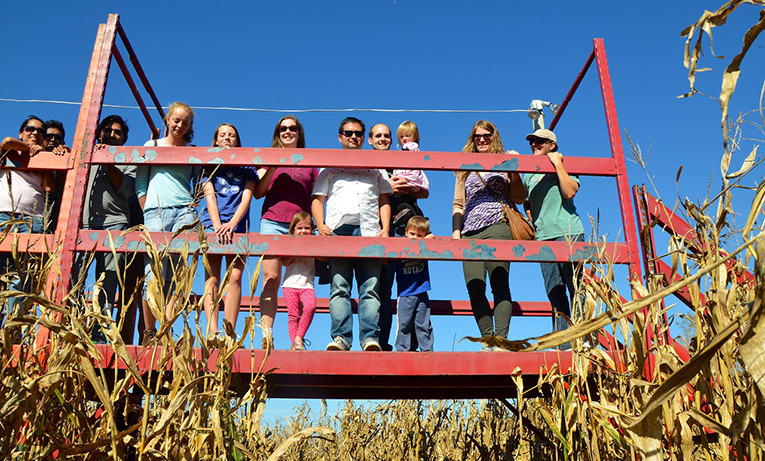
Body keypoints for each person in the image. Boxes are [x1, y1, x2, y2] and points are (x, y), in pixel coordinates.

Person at [312, 117, 392, 351]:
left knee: (370, 288)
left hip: (369, 230)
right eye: (348, 133)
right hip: (338, 230)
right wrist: (320, 225)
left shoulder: (375, 166)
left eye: (358, 133)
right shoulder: (329, 167)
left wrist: (385, 228)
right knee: (339, 286)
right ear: (340, 137)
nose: (353, 137)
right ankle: (341, 338)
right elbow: (318, 200)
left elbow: (383, 199)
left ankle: (370, 338)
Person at [452, 120, 526, 347]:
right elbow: (458, 204)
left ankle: (501, 341)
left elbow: (519, 197)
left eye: (487, 135)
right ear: (472, 139)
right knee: (474, 286)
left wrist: (514, 170)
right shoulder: (465, 167)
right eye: (477, 136)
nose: (482, 139)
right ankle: (489, 340)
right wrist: (456, 234)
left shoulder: (504, 160)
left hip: (497, 225)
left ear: (494, 137)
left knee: (499, 283)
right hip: (470, 232)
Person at [135, 102, 200, 345]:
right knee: (153, 274)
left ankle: (168, 329)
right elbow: (141, 182)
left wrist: (192, 206)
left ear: (190, 126)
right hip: (156, 213)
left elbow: (198, 185)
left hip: (184, 214)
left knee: (178, 276)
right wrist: (149, 211)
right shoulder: (152, 146)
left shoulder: (192, 151)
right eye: (176, 120)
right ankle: (149, 332)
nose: (180, 125)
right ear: (167, 121)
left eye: (185, 122)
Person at [253, 116, 317, 350]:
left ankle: (297, 338)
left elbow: (314, 198)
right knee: (270, 279)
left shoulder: (310, 162)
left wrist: (315, 227)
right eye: (283, 128)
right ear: (277, 132)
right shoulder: (269, 157)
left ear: (299, 133)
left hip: (299, 227)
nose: (288, 131)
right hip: (271, 222)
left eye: (293, 128)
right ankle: (267, 335)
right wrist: (272, 164)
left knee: (301, 281)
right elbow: (258, 192)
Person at [73, 115, 136, 343]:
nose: (111, 134)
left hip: (115, 222)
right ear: (99, 132)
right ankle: (73, 330)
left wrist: (108, 161)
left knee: (108, 279)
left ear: (124, 138)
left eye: (117, 132)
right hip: (82, 224)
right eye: (107, 130)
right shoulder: (85, 153)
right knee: (74, 279)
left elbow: (128, 190)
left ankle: (100, 335)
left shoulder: (128, 158)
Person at [368, 122, 430, 351]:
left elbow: (424, 191)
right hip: (380, 229)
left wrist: (409, 188)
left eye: (387, 136)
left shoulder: (402, 157)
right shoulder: (366, 164)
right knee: (381, 288)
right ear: (370, 140)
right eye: (378, 136)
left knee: (413, 285)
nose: (383, 139)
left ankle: (414, 344)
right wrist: (387, 189)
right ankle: (380, 343)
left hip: (408, 228)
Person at [522, 129, 585, 351]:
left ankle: (582, 338)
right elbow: (525, 200)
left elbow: (569, 192)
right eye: (532, 142)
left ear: (552, 145)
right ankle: (564, 344)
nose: (534, 145)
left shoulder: (564, 163)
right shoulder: (528, 172)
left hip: (568, 232)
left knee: (577, 286)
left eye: (540, 142)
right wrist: (535, 222)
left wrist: (558, 164)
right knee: (554, 290)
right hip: (544, 237)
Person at [200, 123, 257, 343]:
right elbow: (210, 196)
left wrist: (232, 223)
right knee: (212, 277)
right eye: (222, 135)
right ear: (215, 140)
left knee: (235, 276)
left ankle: (230, 333)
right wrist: (217, 226)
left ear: (237, 141)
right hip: (211, 224)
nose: (227, 138)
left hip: (238, 226)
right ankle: (213, 331)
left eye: (232, 135)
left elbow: (247, 196)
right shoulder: (209, 166)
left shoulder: (246, 167)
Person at [0, 116, 58, 329]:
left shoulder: (42, 157)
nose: (35, 132)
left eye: (40, 131)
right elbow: (6, 141)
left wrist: (44, 157)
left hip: (32, 220)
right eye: (29, 128)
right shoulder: (7, 154)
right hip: (3, 218)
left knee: (22, 279)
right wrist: (28, 148)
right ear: (21, 133)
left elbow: (50, 188)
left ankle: (12, 331)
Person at [395, 216, 434, 352]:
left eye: (419, 235)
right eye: (412, 234)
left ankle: (427, 350)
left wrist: (425, 238)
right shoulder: (400, 248)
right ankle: (402, 350)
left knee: (423, 324)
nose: (415, 238)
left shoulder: (424, 247)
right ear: (406, 232)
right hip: (405, 294)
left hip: (422, 292)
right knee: (404, 324)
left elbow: (433, 238)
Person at [280, 211, 317, 351]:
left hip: (307, 285)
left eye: (307, 228)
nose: (303, 231)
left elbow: (323, 257)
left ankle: (298, 338)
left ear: (312, 230)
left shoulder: (314, 244)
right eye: (299, 228)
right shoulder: (289, 244)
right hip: (290, 284)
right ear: (293, 230)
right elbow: (285, 262)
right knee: (293, 314)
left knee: (310, 307)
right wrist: (295, 248)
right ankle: (295, 344)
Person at [42, 120, 69, 233]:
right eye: (48, 136)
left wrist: (65, 156)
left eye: (57, 137)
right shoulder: (30, 157)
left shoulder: (65, 158)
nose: (53, 140)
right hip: (32, 218)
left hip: (57, 223)